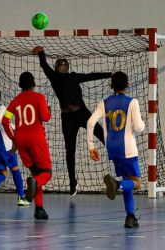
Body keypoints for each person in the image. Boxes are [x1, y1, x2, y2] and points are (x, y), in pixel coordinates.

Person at [32, 46, 112, 195]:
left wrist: (110, 74)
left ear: (66, 68)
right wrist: (41, 52)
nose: (62, 67)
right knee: (70, 151)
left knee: (102, 135)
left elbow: (91, 76)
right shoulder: (56, 77)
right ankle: (72, 182)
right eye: (60, 65)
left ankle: (118, 156)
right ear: (58, 68)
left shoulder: (70, 76)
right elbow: (44, 65)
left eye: (63, 65)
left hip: (82, 113)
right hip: (68, 118)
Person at [87, 71, 145, 228]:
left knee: (128, 180)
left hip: (112, 148)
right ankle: (116, 185)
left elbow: (91, 122)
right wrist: (142, 123)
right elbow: (139, 128)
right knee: (136, 183)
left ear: (111, 85)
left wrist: (91, 146)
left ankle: (130, 217)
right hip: (128, 148)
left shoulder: (104, 103)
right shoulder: (132, 102)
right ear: (127, 84)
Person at [2, 72, 52, 219]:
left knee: (36, 173)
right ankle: (35, 183)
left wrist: (13, 137)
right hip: (36, 139)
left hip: (21, 140)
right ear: (34, 84)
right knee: (46, 173)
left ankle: (39, 209)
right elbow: (45, 117)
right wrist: (48, 110)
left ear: (19, 85)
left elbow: (5, 121)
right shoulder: (39, 97)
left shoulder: (15, 101)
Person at [0, 87, 30, 207]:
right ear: (0, 97)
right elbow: (0, 119)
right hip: (4, 145)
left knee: (3, 173)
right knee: (15, 169)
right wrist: (14, 127)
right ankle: (21, 197)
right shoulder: (1, 107)